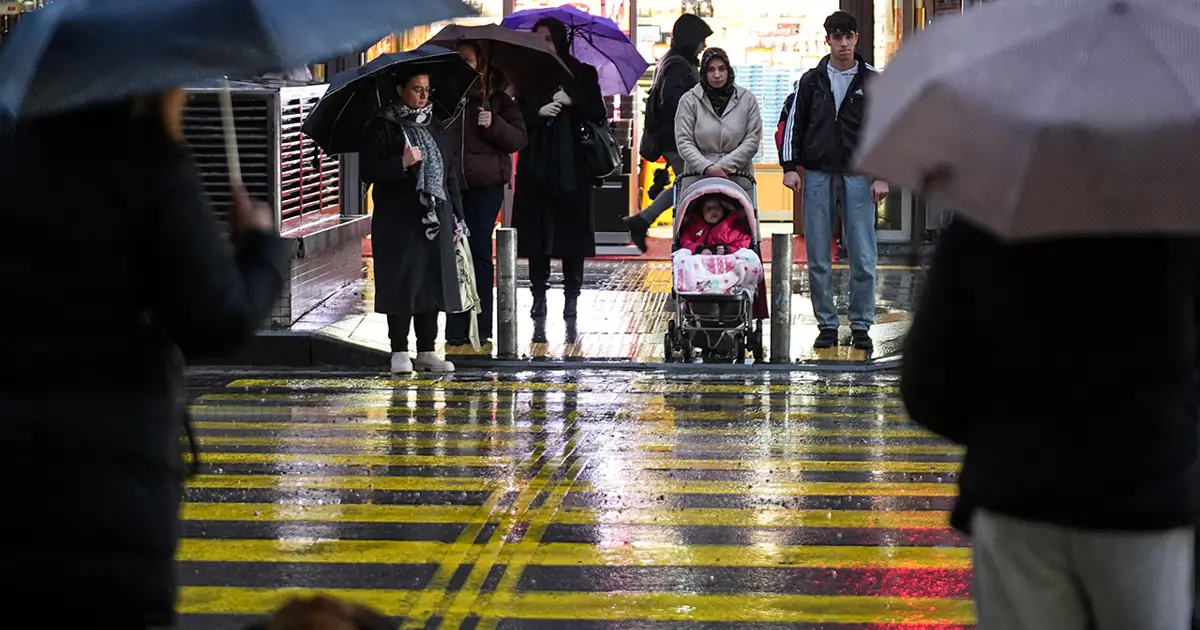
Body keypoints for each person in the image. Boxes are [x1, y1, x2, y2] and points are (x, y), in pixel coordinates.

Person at [0, 90, 288, 626]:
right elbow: (215, 317)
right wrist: (260, 247)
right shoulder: (148, 165)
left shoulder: (14, 157)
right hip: (110, 472)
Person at [902, 218, 1200, 630]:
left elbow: (927, 386)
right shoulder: (1176, 225)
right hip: (1147, 503)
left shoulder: (988, 223)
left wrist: (1000, 438)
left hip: (1016, 503)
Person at [780, 10, 888, 351]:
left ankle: (860, 325)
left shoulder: (873, 80)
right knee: (817, 255)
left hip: (858, 174)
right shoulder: (811, 80)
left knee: (863, 253)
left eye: (848, 36)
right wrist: (789, 166)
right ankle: (826, 323)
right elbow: (793, 122)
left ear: (856, 38)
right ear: (827, 40)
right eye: (836, 37)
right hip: (817, 173)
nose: (843, 43)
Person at [361, 69, 465, 374]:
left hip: (434, 216)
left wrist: (458, 215)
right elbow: (368, 171)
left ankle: (427, 349)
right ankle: (399, 349)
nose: (423, 96)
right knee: (402, 282)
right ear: (400, 89)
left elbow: (449, 174)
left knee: (431, 282)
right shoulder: (382, 126)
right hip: (398, 218)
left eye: (427, 90)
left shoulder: (434, 125)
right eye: (417, 89)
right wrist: (402, 163)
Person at [511, 17, 607, 320]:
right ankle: (538, 295)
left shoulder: (582, 73)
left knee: (571, 235)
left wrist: (572, 99)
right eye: (538, 39)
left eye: (549, 38)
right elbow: (516, 117)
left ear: (561, 40)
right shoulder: (526, 76)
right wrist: (538, 112)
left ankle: (571, 297)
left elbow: (598, 113)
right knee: (537, 236)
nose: (543, 45)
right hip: (536, 167)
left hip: (573, 168)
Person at [444, 42, 528, 347]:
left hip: (485, 186)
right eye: (458, 59)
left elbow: (518, 139)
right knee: (453, 253)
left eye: (467, 59)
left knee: (478, 250)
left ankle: (482, 326)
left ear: (480, 62)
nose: (463, 64)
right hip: (451, 187)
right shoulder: (446, 96)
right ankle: (455, 328)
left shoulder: (498, 99)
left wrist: (494, 124)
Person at [624, 13, 713, 251]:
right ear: (690, 39)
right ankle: (659, 225)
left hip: (675, 138)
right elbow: (672, 102)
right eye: (701, 39)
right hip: (677, 139)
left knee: (689, 183)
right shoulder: (678, 65)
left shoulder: (674, 61)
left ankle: (646, 220)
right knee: (694, 183)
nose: (703, 46)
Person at [674, 47, 762, 197]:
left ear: (729, 70)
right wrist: (706, 167)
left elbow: (752, 139)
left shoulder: (747, 100)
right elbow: (684, 140)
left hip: (738, 177)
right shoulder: (689, 101)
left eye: (722, 69)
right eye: (711, 70)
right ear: (704, 72)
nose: (717, 75)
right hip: (698, 178)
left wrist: (724, 166)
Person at [678, 193, 751, 255]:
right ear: (701, 212)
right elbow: (685, 242)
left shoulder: (733, 228)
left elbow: (744, 242)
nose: (714, 211)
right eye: (709, 208)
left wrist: (727, 249)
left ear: (724, 209)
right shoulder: (692, 227)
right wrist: (699, 249)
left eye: (717, 207)